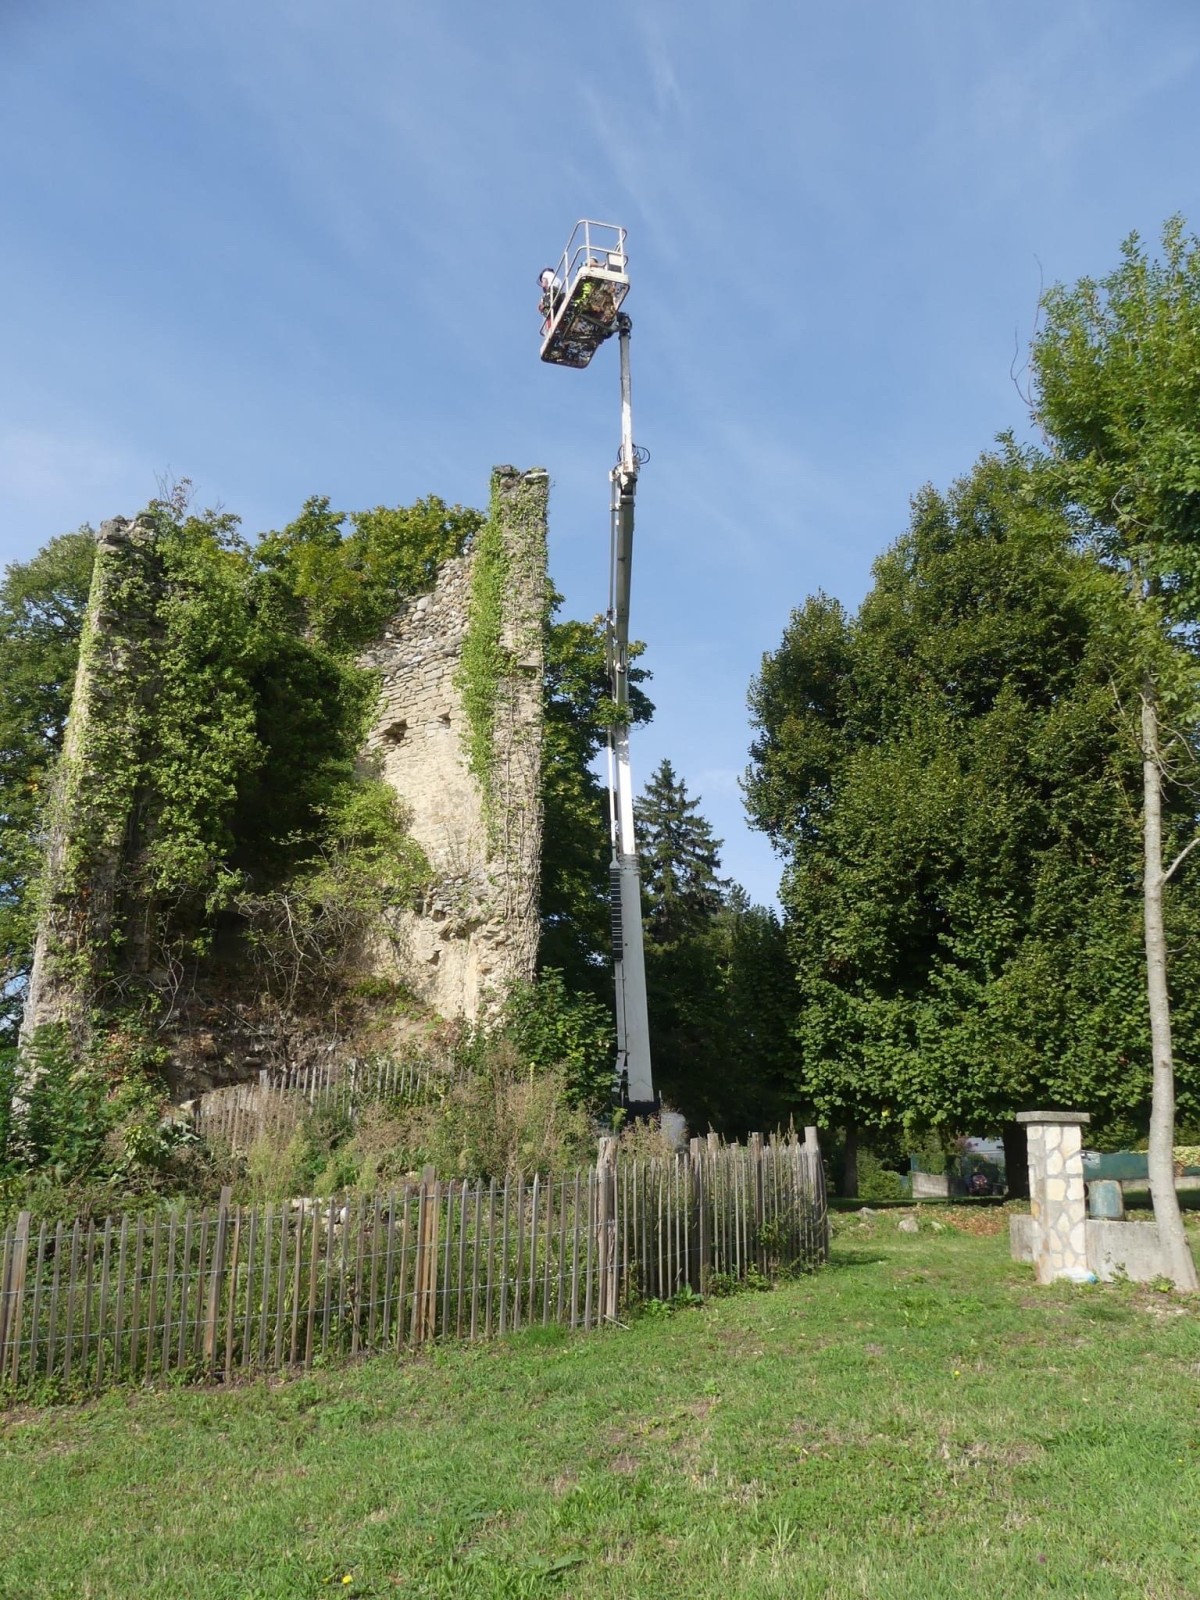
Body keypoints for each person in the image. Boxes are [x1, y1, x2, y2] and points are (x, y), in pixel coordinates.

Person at [538, 267, 562, 331]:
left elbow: (544, 285)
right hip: (559, 294)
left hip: (551, 292)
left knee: (546, 310)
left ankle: (550, 328)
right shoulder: (557, 279)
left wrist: (543, 304)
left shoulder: (545, 274)